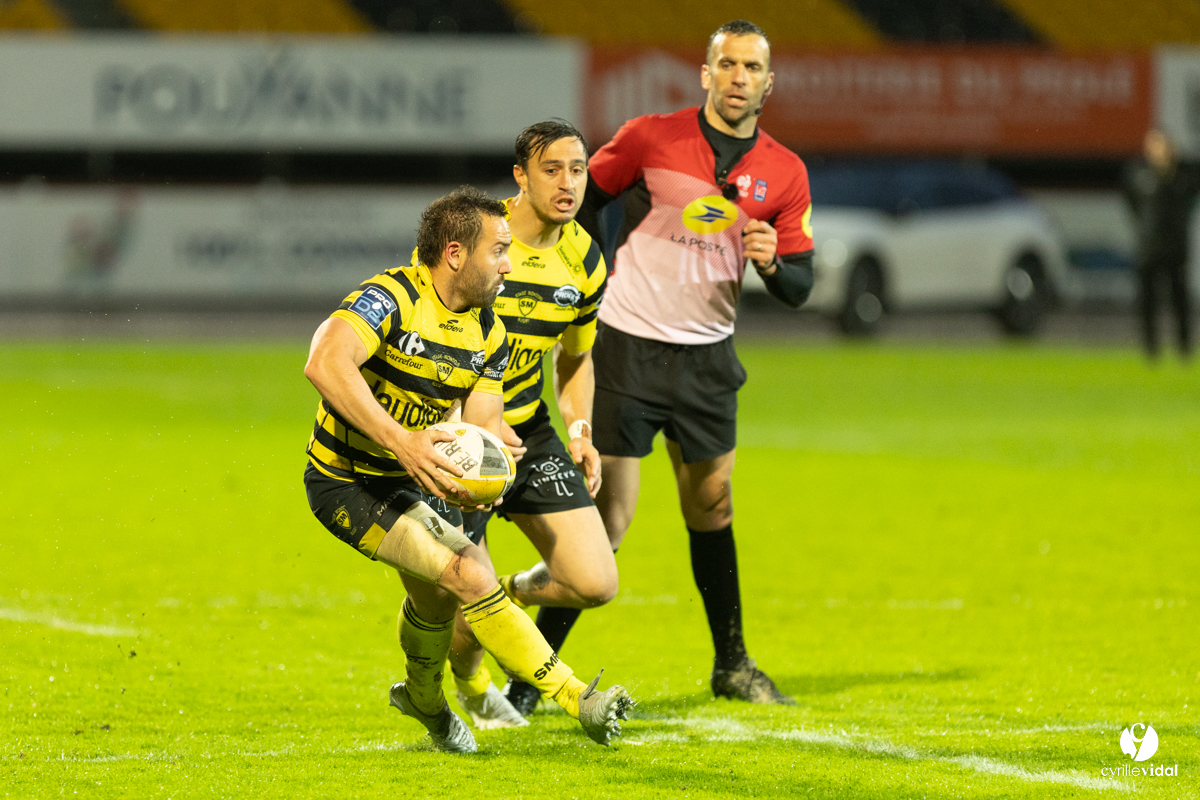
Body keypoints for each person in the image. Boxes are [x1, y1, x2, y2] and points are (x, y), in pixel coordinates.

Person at [525, 19, 816, 705]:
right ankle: (530, 676)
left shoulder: (784, 171)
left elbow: (802, 282)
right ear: (706, 74)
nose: (739, 76)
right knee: (609, 518)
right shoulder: (649, 136)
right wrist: (589, 278)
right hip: (626, 344)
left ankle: (733, 665)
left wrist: (775, 266)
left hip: (708, 356)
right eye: (728, 64)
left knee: (712, 504)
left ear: (768, 83)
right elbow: (586, 200)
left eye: (751, 67)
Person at [302, 186, 631, 753]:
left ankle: (424, 700)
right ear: (455, 253)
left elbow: (482, 427)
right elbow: (324, 362)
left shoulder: (488, 330)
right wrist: (401, 441)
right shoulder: (390, 298)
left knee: (437, 601)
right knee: (469, 574)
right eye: (498, 251)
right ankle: (581, 698)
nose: (509, 264)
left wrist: (491, 469)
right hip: (347, 481)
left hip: (415, 480)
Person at [438, 121, 618, 723]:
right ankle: (473, 686)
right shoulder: (474, 237)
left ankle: (502, 594)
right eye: (552, 169)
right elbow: (421, 328)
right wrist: (454, 426)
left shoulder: (585, 260)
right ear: (520, 175)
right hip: (459, 434)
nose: (568, 184)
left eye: (578, 170)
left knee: (594, 582)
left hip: (529, 429)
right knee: (461, 586)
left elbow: (575, 359)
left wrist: (581, 432)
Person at [1124, 128, 1198, 360]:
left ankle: (1184, 349)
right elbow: (1132, 204)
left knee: (1179, 301)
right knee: (1148, 302)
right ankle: (1150, 350)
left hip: (1176, 247)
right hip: (1149, 248)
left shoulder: (1182, 176)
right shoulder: (1139, 174)